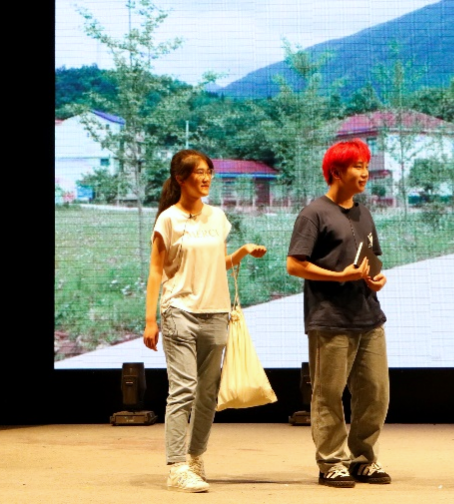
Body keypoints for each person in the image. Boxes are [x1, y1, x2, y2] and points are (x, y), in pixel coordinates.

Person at [143, 149, 267, 493]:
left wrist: (241, 253)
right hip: (178, 312)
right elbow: (156, 270)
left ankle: (195, 458)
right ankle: (176, 466)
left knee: (208, 394)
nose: (206, 177)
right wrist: (150, 319)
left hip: (216, 313)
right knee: (183, 389)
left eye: (209, 171)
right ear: (181, 178)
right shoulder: (168, 219)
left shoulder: (217, 217)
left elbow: (217, 263)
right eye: (199, 171)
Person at [286, 138, 391, 488]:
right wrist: (338, 276)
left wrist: (376, 279)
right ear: (336, 171)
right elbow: (294, 264)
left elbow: (371, 261)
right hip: (330, 318)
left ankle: (363, 458)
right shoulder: (314, 213)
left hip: (369, 316)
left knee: (375, 392)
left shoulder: (364, 213)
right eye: (358, 166)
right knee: (328, 394)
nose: (365, 173)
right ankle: (331, 461)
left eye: (366, 166)